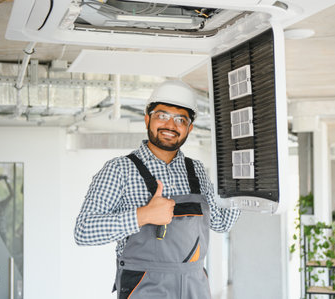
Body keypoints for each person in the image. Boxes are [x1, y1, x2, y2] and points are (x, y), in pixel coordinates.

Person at [74, 80, 240, 299]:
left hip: (195, 286)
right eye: (162, 115)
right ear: (147, 119)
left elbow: (221, 223)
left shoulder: (196, 170)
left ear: (189, 128)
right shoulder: (119, 169)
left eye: (181, 119)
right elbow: (83, 231)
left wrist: (240, 183)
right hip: (145, 287)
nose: (170, 125)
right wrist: (141, 216)